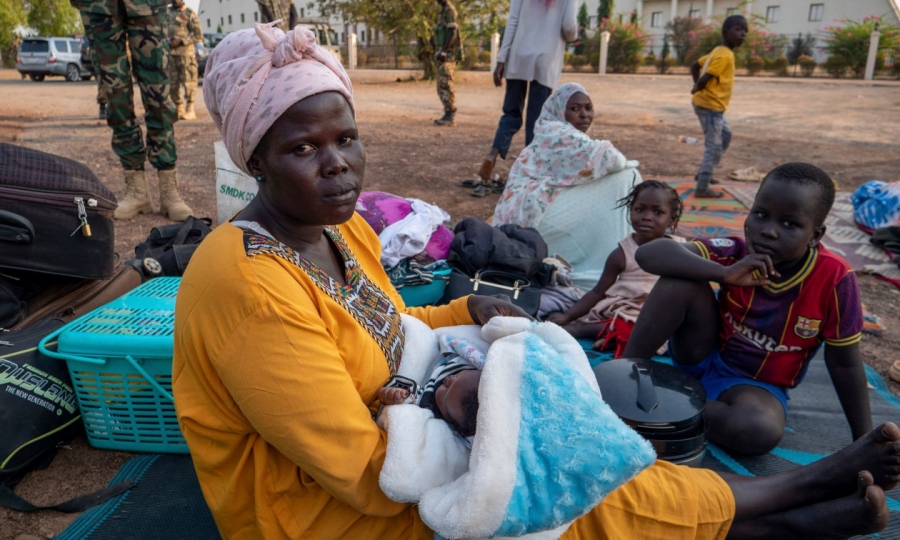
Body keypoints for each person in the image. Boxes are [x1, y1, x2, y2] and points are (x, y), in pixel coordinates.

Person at [174, 25, 897, 540]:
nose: (337, 165)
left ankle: (769, 506)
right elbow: (359, 474)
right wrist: (494, 433)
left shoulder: (337, 226)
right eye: (303, 148)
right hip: (316, 511)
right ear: (255, 161)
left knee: (578, 438)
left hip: (395, 420)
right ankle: (787, 502)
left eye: (345, 138)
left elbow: (389, 327)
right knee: (563, 489)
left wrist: (465, 307)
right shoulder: (247, 285)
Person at [623, 162, 871, 457]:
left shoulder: (834, 280)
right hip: (700, 355)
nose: (768, 232)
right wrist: (723, 273)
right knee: (679, 280)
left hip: (753, 386)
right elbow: (650, 253)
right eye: (761, 215)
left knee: (759, 429)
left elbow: (845, 364)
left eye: (789, 224)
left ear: (816, 235)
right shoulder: (736, 251)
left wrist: (864, 441)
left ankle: (662, 404)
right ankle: (624, 376)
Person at [492, 83, 639, 291]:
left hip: (523, 223)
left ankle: (617, 255)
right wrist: (630, 165)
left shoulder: (547, 131)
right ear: (559, 111)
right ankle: (622, 260)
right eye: (575, 109)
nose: (584, 115)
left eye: (588, 108)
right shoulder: (558, 132)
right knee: (628, 177)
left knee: (608, 179)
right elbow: (612, 159)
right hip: (535, 226)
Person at [70, 0, 193, 222]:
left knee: (159, 96)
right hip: (98, 7)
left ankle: (169, 192)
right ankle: (137, 191)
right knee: (115, 97)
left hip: (148, 4)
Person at [546, 180, 684, 357]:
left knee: (673, 333)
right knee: (615, 326)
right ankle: (585, 330)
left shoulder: (681, 251)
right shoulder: (622, 254)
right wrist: (568, 316)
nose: (647, 217)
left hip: (659, 314)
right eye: (640, 210)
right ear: (631, 211)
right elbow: (598, 292)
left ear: (672, 219)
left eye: (658, 212)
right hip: (625, 313)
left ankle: (615, 339)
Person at [466, 0, 577, 197]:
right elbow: (569, 27)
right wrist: (572, 36)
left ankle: (493, 153)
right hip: (545, 60)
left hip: (518, 56)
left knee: (511, 113)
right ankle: (528, 174)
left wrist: (501, 59)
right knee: (537, 120)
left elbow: (512, 22)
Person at [690, 14, 748, 198]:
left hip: (712, 106)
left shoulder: (719, 51)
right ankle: (702, 186)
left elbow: (695, 66)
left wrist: (696, 86)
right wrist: (697, 86)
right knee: (713, 146)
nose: (742, 34)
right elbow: (704, 78)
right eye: (738, 30)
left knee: (726, 135)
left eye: (745, 31)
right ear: (725, 32)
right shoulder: (724, 55)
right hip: (710, 107)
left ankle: (704, 174)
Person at [167, 0, 203, 121]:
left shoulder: (189, 13)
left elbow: (198, 35)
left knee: (189, 82)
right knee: (172, 84)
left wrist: (182, 41)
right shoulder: (166, 13)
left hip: (185, 55)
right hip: (170, 55)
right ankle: (178, 109)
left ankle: (190, 110)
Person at [432, 0, 462, 127]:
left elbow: (452, 32)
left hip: (448, 54)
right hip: (442, 53)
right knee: (441, 84)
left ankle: (450, 115)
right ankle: (447, 113)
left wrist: (444, 52)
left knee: (445, 82)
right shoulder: (442, 11)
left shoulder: (450, 10)